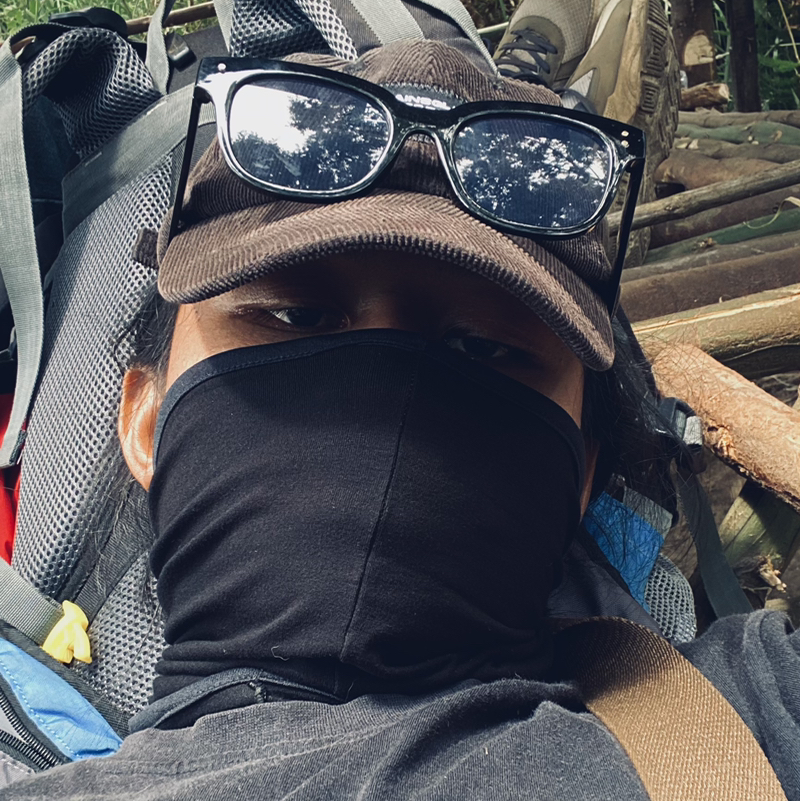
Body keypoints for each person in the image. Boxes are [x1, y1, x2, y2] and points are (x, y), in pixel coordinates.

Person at [2, 30, 799, 801]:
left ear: (584, 475)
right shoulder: (751, 723)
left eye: (486, 349)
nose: (386, 389)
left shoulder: (760, 710)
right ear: (143, 421)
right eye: (296, 316)